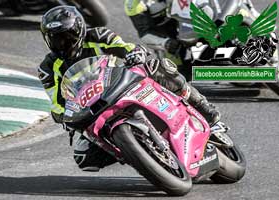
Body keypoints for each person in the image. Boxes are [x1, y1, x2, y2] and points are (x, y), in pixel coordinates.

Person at [37, 5, 220, 172]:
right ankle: (140, 156)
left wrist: (135, 53)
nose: (63, 43)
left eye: (68, 36)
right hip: (93, 110)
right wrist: (63, 115)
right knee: (84, 157)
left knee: (158, 66)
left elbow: (124, 47)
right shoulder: (47, 68)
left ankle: (201, 104)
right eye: (56, 39)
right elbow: (56, 102)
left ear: (80, 29)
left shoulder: (99, 35)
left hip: (123, 84)